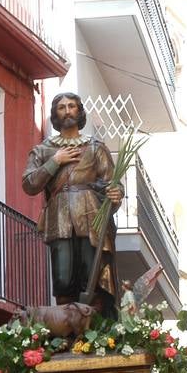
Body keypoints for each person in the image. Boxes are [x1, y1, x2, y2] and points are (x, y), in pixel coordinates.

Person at [22, 92, 123, 315]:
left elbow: (111, 184)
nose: (67, 111)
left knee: (93, 277)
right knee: (62, 277)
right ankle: (68, 329)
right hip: (59, 219)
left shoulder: (96, 147)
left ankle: (96, 332)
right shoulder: (43, 150)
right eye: (61, 107)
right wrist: (54, 161)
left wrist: (116, 194)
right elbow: (29, 184)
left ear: (79, 111)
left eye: (72, 106)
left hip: (91, 217)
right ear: (55, 114)